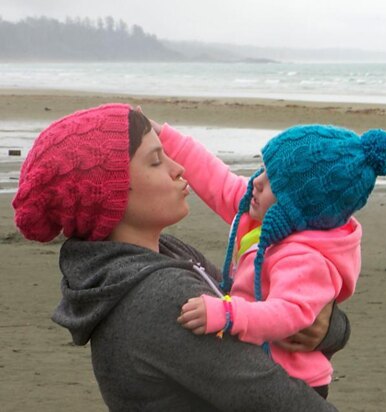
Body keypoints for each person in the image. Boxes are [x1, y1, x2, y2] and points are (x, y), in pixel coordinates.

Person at [13, 103, 350, 411]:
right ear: (111, 192)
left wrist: (328, 327)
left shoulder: (165, 256)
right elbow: (276, 396)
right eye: (156, 160)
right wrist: (329, 328)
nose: (178, 169)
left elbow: (256, 304)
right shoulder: (159, 295)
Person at [149, 120, 386, 398]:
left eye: (272, 183)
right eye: (263, 170)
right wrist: (165, 136)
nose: (255, 182)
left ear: (296, 206)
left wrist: (229, 314)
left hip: (293, 383)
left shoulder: (305, 258)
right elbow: (217, 181)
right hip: (260, 365)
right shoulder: (272, 218)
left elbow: (287, 316)